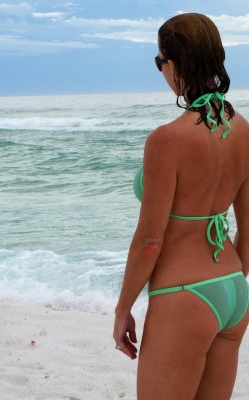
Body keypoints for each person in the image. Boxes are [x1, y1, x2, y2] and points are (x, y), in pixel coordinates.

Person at [113, 13, 249, 400]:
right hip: (234, 290)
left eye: (160, 62)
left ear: (175, 63)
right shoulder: (244, 130)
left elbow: (150, 240)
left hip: (185, 293)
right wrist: (231, 281)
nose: (161, 70)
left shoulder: (167, 140)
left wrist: (123, 308)